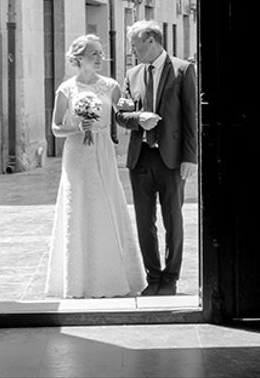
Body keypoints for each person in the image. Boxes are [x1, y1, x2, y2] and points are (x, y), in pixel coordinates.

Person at [45, 34, 146, 298]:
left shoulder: (111, 86)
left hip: (102, 150)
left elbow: (126, 112)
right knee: (77, 204)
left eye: (101, 53)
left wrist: (141, 115)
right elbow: (55, 128)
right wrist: (76, 127)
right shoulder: (66, 89)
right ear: (79, 59)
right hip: (76, 154)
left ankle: (113, 276)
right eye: (94, 54)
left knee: (105, 202)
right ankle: (76, 279)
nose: (100, 58)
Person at [115, 20, 198, 296]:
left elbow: (191, 117)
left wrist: (190, 158)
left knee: (173, 219)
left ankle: (171, 278)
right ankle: (153, 276)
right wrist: (140, 119)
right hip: (141, 159)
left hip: (171, 159)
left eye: (134, 44)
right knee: (144, 221)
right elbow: (121, 115)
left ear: (150, 40)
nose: (132, 50)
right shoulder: (132, 74)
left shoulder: (183, 70)